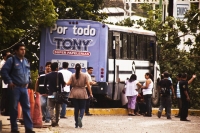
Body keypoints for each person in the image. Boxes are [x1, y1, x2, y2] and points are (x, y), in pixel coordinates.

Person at [1, 43, 35, 133]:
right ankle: (14, 129)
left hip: (24, 88)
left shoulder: (26, 61)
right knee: (14, 108)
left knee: (26, 108)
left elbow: (28, 73)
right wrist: (9, 81)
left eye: (24, 49)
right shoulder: (11, 60)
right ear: (16, 51)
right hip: (15, 88)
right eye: (21, 49)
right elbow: (4, 71)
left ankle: (28, 128)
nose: (23, 51)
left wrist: (29, 81)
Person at [66, 63, 93, 128]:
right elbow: (88, 85)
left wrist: (65, 82)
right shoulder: (85, 75)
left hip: (74, 93)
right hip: (82, 92)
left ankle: (76, 123)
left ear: (75, 68)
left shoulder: (72, 75)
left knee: (76, 108)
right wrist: (91, 93)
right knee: (82, 108)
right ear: (81, 68)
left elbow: (68, 84)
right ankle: (80, 117)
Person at [44, 62, 66, 127]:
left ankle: (53, 120)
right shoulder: (60, 74)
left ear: (51, 68)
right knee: (58, 108)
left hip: (51, 94)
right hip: (58, 94)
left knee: (50, 107)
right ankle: (57, 121)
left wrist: (47, 91)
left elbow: (45, 85)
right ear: (57, 68)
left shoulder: (47, 75)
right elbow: (63, 83)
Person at [0, 51, 11, 115]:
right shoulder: (2, 63)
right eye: (8, 56)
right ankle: (2, 109)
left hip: (9, 81)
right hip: (5, 81)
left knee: (8, 96)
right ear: (4, 57)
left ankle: (7, 110)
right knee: (4, 96)